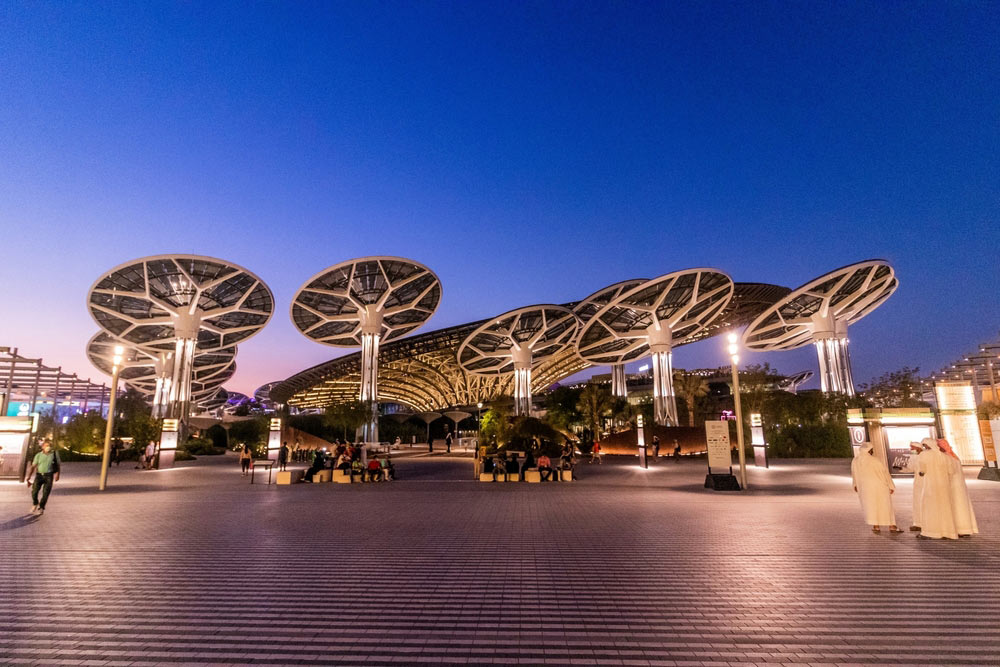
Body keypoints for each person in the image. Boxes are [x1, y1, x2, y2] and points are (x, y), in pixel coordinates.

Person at [851, 443, 901, 534]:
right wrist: (890, 485)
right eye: (872, 449)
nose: (872, 451)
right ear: (869, 450)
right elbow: (884, 473)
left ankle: (876, 526)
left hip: (865, 488)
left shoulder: (855, 460)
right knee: (885, 505)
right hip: (879, 486)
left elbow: (854, 473)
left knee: (871, 506)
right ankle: (892, 526)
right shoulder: (874, 460)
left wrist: (855, 485)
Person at [916, 437, 958, 539]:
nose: (924, 447)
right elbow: (952, 471)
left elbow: (922, 470)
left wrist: (922, 473)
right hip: (944, 486)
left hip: (930, 486)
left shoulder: (923, 455)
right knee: (945, 507)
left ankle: (930, 532)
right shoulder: (945, 457)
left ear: (928, 445)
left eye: (925, 445)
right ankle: (948, 532)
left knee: (930, 508)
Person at [938, 438, 978, 537]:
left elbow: (948, 472)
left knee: (955, 507)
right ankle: (965, 529)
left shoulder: (946, 457)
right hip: (959, 487)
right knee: (962, 506)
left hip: (952, 487)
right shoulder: (954, 456)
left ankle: (958, 529)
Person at [26, 440, 60, 515]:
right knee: (34, 491)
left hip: (49, 476)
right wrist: (29, 476)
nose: (48, 447)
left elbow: (58, 465)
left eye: (49, 445)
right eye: (46, 445)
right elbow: (33, 466)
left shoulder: (54, 454)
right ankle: (35, 503)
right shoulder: (38, 455)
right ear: (42, 447)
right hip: (39, 475)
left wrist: (57, 474)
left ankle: (41, 507)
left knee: (46, 493)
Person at [905, 441, 931, 532]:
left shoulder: (927, 456)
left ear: (918, 448)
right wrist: (901, 469)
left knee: (926, 502)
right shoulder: (913, 457)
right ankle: (918, 523)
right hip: (918, 483)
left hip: (927, 482)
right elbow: (910, 468)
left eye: (912, 448)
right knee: (917, 502)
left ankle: (928, 523)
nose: (911, 450)